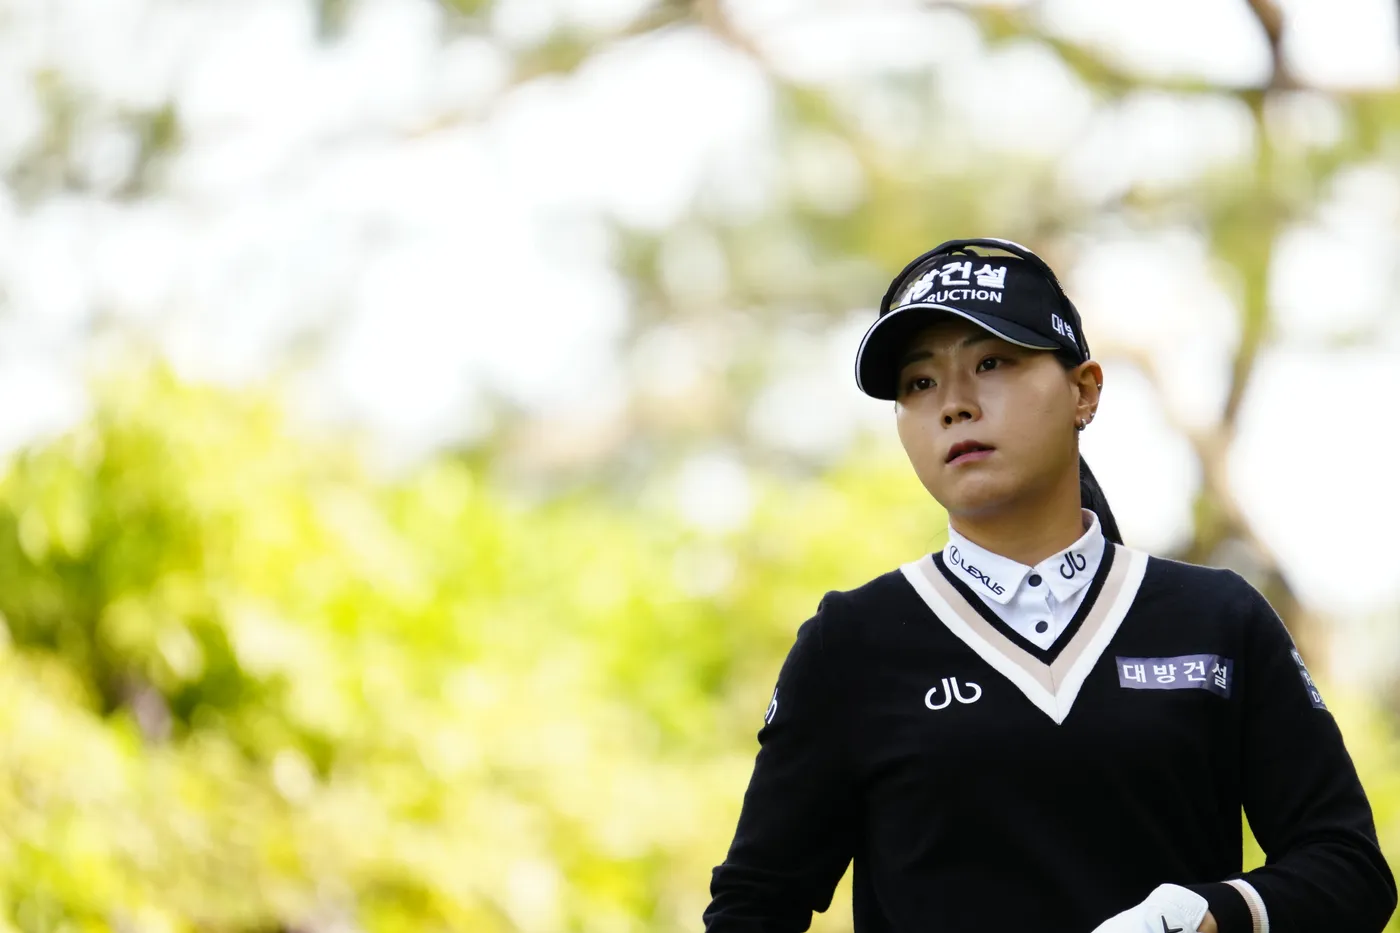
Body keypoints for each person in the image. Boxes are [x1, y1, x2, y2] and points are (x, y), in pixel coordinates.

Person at [703, 238, 1396, 933]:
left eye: (991, 363)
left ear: (1084, 391)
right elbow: (753, 906)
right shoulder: (851, 644)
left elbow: (1349, 869)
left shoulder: (1219, 618)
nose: (954, 405)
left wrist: (1208, 914)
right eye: (919, 383)